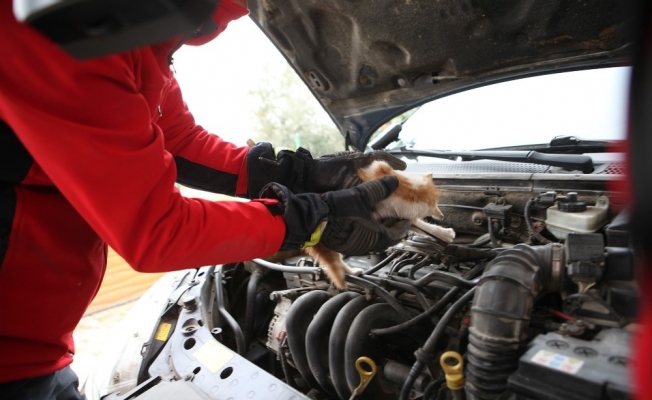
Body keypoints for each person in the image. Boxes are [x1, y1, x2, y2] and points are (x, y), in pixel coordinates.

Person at [0, 0, 411, 398]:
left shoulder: (134, 37)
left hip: (37, 352)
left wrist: (296, 174)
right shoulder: (65, 26)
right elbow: (157, 230)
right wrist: (307, 221)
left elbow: (176, 138)